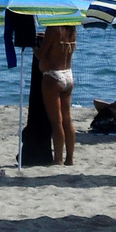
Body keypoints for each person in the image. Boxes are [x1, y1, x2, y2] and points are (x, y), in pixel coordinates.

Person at [38, 24, 77, 165]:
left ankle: (58, 159)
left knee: (57, 121)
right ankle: (70, 158)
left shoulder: (53, 28)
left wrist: (32, 44)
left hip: (53, 76)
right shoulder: (72, 29)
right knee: (67, 118)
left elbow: (40, 54)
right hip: (68, 74)